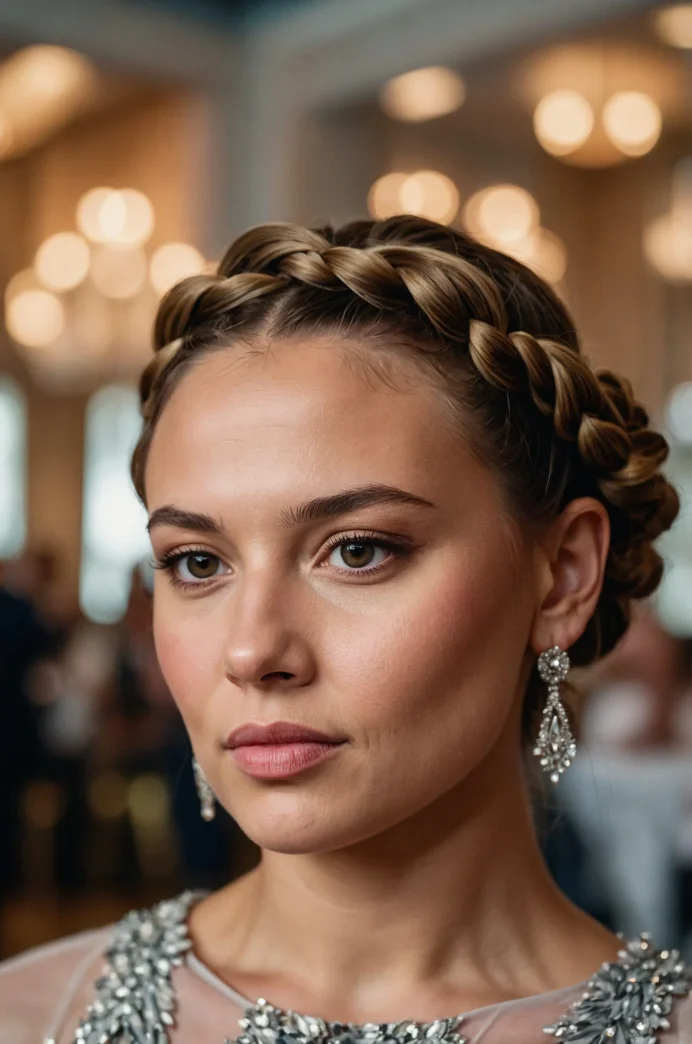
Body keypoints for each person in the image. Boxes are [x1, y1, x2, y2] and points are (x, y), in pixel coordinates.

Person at [0, 215, 689, 1043]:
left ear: (564, 576)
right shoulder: (30, 1016)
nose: (253, 651)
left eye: (357, 551)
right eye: (196, 563)